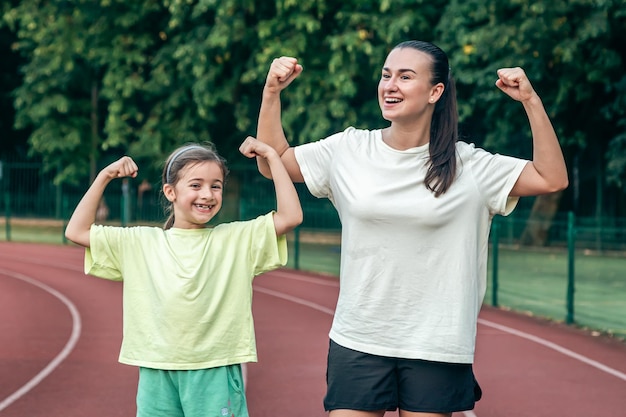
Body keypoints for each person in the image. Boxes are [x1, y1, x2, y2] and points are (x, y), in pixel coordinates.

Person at [254, 40, 568, 417]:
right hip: (359, 337)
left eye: (405, 77)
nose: (390, 85)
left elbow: (551, 178)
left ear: (435, 91)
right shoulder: (348, 150)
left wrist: (531, 101)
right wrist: (272, 93)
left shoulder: (469, 166)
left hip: (436, 344)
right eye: (386, 75)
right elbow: (273, 162)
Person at [64, 138, 303, 417]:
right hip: (157, 370)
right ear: (170, 192)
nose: (208, 194)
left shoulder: (235, 239)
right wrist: (105, 176)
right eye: (196, 185)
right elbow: (76, 231)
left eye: (216, 186)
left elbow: (290, 216)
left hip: (213, 367)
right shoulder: (141, 243)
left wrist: (273, 158)